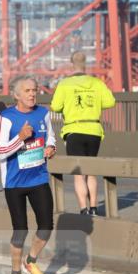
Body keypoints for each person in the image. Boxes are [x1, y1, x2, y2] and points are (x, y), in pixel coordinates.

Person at [0, 77, 57, 274]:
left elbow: (51, 137)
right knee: (20, 229)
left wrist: (51, 148)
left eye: (34, 90)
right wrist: (20, 138)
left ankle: (30, 261)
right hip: (14, 182)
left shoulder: (43, 113)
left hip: (39, 177)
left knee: (46, 225)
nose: (32, 94)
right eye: (27, 90)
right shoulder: (6, 117)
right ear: (16, 95)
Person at [50, 50, 116, 215]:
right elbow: (110, 102)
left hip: (74, 130)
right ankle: (94, 207)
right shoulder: (97, 82)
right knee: (91, 171)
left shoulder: (65, 84)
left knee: (78, 173)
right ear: (85, 64)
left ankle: (83, 209)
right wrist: (94, 106)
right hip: (94, 130)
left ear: (72, 64)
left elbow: (55, 107)